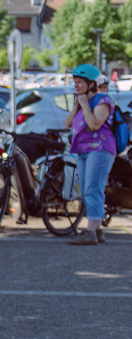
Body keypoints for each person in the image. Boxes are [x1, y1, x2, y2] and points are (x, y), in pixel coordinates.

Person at [65, 64, 115, 245]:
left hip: (100, 148)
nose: (76, 85)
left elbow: (95, 125)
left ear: (92, 83)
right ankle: (98, 231)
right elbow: (67, 123)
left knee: (93, 189)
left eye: (80, 82)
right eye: (75, 82)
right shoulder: (82, 101)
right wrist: (78, 106)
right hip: (83, 150)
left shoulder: (103, 100)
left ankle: (90, 233)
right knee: (87, 191)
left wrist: (85, 105)